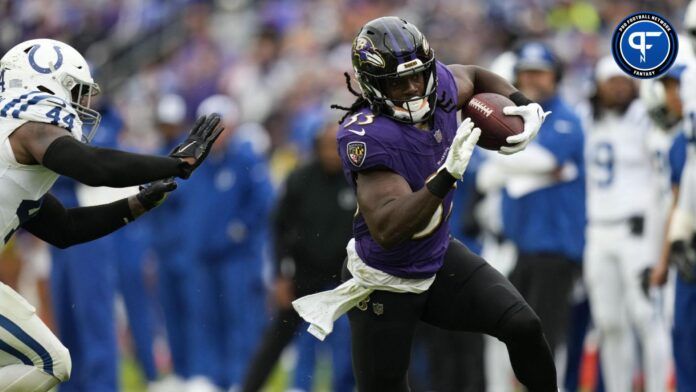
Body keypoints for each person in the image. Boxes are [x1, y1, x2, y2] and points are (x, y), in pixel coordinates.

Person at [292, 17, 556, 391]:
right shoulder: (368, 135)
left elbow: (476, 76)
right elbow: (388, 228)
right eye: (399, 82)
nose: (415, 87)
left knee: (523, 325)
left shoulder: (442, 89)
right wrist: (445, 176)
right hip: (385, 279)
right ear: (372, 85)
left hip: (437, 256)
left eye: (419, 75)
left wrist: (522, 104)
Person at [0, 38, 223, 391]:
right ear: (42, 81)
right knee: (48, 362)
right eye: (75, 91)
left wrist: (136, 204)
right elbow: (94, 168)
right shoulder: (30, 127)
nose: (81, 104)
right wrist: (176, 164)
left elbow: (66, 229)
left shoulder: (14, 148)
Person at [241, 120, 355, 392]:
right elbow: (279, 228)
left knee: (351, 342)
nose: (331, 153)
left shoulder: (358, 179)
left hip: (345, 277)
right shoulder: (300, 179)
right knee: (278, 338)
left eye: (336, 147)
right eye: (325, 147)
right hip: (304, 276)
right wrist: (280, 275)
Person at [583, 56, 671, 392]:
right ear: (598, 85)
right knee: (608, 322)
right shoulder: (585, 117)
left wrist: (657, 229)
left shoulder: (646, 118)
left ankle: (659, 387)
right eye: (612, 81)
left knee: (646, 317)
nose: (620, 88)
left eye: (625, 81)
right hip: (597, 230)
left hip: (637, 229)